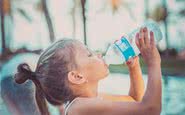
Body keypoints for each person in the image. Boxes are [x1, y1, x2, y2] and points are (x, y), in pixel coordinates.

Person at [14, 27, 162, 115]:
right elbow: (150, 109)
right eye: (89, 54)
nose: (98, 53)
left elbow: (136, 101)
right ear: (77, 76)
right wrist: (154, 62)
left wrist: (134, 67)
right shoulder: (78, 107)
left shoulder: (94, 99)